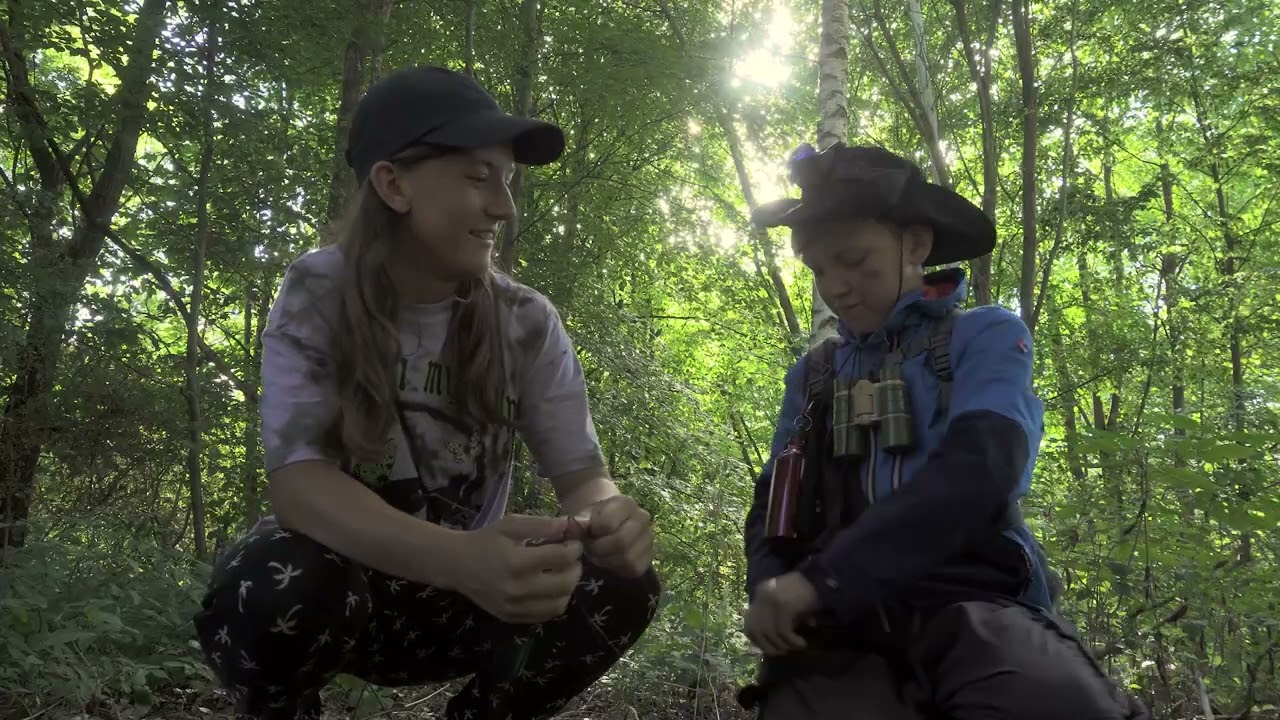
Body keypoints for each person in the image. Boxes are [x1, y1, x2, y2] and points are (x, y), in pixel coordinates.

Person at [192, 65, 662, 720]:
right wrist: (462, 559)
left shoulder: (526, 321)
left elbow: (584, 478)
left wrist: (613, 520)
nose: (504, 206)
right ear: (393, 184)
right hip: (348, 586)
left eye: (507, 179)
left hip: (470, 606)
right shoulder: (318, 291)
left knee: (622, 583)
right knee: (277, 577)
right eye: (478, 177)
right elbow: (298, 485)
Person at [736, 142, 1149, 719]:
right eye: (818, 268)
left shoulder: (984, 336)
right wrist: (771, 587)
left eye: (854, 260)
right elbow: (771, 506)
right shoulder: (813, 375)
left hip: (976, 599)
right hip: (839, 630)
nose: (835, 286)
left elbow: (982, 468)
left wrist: (824, 580)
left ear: (916, 244)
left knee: (1057, 701)